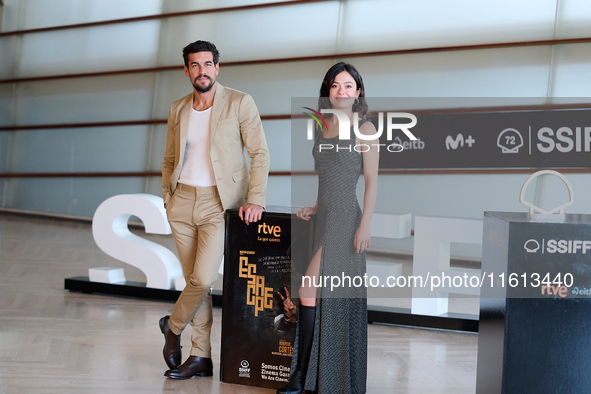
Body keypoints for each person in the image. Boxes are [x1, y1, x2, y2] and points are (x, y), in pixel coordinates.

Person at [160, 40, 270, 379]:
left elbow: (260, 154)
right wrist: (168, 196)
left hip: (218, 204)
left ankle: (172, 326)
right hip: (181, 203)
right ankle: (200, 356)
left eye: (207, 64)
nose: (202, 71)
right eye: (195, 65)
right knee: (198, 284)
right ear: (187, 70)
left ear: (217, 68)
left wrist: (256, 199)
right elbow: (168, 159)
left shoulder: (239, 102)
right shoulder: (178, 108)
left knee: (203, 277)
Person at [278, 63, 379, 394]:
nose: (341, 91)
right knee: (320, 297)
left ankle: (300, 374)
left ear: (358, 92)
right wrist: (315, 206)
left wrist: (365, 225)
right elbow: (328, 178)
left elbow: (372, 184)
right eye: (335, 86)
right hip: (325, 218)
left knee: (308, 291)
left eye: (348, 86)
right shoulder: (323, 127)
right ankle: (313, 377)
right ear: (328, 92)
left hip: (347, 219)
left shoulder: (365, 129)